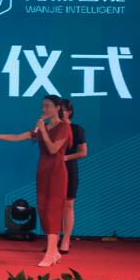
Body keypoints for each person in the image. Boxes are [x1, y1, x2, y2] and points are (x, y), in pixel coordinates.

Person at [0, 95, 72, 267]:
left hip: (57, 172)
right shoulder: (42, 127)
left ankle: (50, 253)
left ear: (58, 107)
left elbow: (53, 149)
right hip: (43, 170)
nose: (44, 109)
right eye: (43, 106)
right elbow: (18, 137)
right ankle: (54, 252)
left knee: (52, 209)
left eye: (48, 106)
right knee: (43, 209)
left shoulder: (64, 127)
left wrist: (43, 130)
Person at [59, 99, 87, 254]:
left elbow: (83, 152)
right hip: (53, 170)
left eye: (61, 110)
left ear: (69, 112)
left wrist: (65, 158)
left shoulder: (76, 129)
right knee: (54, 205)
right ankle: (54, 239)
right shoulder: (51, 128)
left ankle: (66, 240)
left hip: (69, 169)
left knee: (68, 204)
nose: (58, 112)